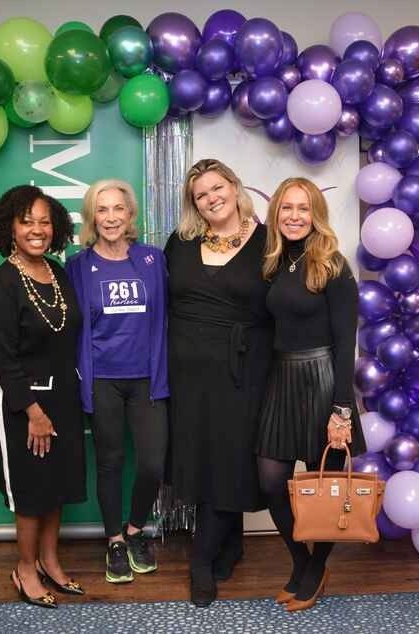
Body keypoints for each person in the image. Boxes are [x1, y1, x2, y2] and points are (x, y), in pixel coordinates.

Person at [164, 158, 272, 607]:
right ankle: (232, 543)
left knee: (230, 457)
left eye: (216, 187)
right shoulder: (181, 241)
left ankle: (202, 561)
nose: (211, 198)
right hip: (187, 374)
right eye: (201, 195)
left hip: (243, 370)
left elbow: (283, 303)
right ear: (195, 204)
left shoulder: (269, 240)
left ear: (234, 184)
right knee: (200, 456)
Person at [256, 177, 366, 612]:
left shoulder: (333, 265)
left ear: (316, 214)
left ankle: (315, 570)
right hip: (282, 379)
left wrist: (342, 410)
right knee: (270, 480)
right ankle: (302, 563)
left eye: (303, 208)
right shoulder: (274, 262)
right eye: (287, 208)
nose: (294, 216)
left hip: (323, 381)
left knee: (328, 485)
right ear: (276, 213)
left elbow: (346, 342)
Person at [0, 185, 86, 609]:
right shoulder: (3, 283)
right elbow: (4, 359)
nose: (37, 229)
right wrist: (33, 411)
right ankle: (25, 568)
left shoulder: (57, 272)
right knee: (30, 489)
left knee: (56, 483)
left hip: (62, 394)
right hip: (21, 400)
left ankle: (49, 561)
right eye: (27, 221)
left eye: (45, 221)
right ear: (10, 226)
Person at [65, 180, 169, 584]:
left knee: (152, 462)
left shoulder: (152, 260)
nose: (110, 217)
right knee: (109, 462)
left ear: (130, 215)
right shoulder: (78, 266)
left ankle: (135, 530)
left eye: (117, 209)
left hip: (148, 379)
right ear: (93, 217)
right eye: (102, 210)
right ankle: (113, 541)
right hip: (103, 380)